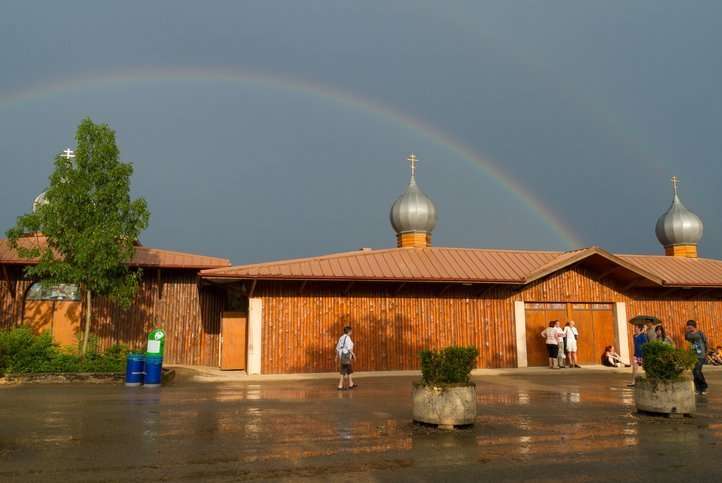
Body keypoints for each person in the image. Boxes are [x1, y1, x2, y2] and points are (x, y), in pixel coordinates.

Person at [685, 320, 708, 395]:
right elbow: (686, 339)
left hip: (701, 354)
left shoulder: (700, 333)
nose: (688, 327)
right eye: (688, 326)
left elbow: (705, 342)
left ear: (693, 326)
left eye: (690, 326)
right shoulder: (688, 334)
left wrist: (706, 353)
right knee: (694, 372)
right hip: (693, 354)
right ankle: (698, 389)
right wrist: (687, 331)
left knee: (697, 370)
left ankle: (703, 386)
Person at [335, 325, 357, 391]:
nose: (352, 332)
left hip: (342, 356)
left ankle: (351, 384)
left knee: (349, 370)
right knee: (343, 371)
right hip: (346, 356)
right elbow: (349, 348)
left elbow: (337, 348)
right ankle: (340, 386)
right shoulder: (347, 338)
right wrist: (354, 354)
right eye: (351, 331)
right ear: (349, 331)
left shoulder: (341, 338)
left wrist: (336, 356)